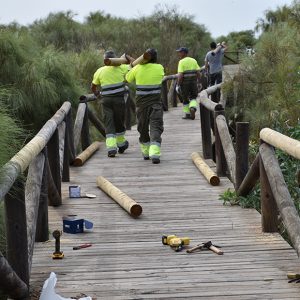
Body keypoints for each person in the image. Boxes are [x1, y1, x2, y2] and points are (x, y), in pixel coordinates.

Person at [125, 48, 164, 164]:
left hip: (141, 105)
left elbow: (127, 79)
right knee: (156, 126)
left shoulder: (137, 68)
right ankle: (155, 153)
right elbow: (160, 77)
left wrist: (131, 66)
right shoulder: (160, 68)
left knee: (142, 128)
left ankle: (146, 152)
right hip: (156, 104)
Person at [91, 50, 129, 157]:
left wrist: (98, 95)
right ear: (115, 59)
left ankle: (111, 149)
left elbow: (93, 87)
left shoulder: (99, 71)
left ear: (105, 60)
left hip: (106, 100)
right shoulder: (122, 68)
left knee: (109, 123)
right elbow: (135, 66)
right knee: (119, 121)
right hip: (119, 100)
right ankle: (121, 144)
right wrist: (127, 58)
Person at [176, 47, 201, 120]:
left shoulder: (181, 62)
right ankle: (192, 108)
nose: (179, 54)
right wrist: (199, 82)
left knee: (185, 98)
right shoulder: (193, 60)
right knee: (193, 97)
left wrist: (178, 84)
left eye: (180, 52)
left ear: (184, 53)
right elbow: (198, 72)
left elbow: (180, 75)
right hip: (193, 82)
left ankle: (187, 114)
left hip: (184, 84)